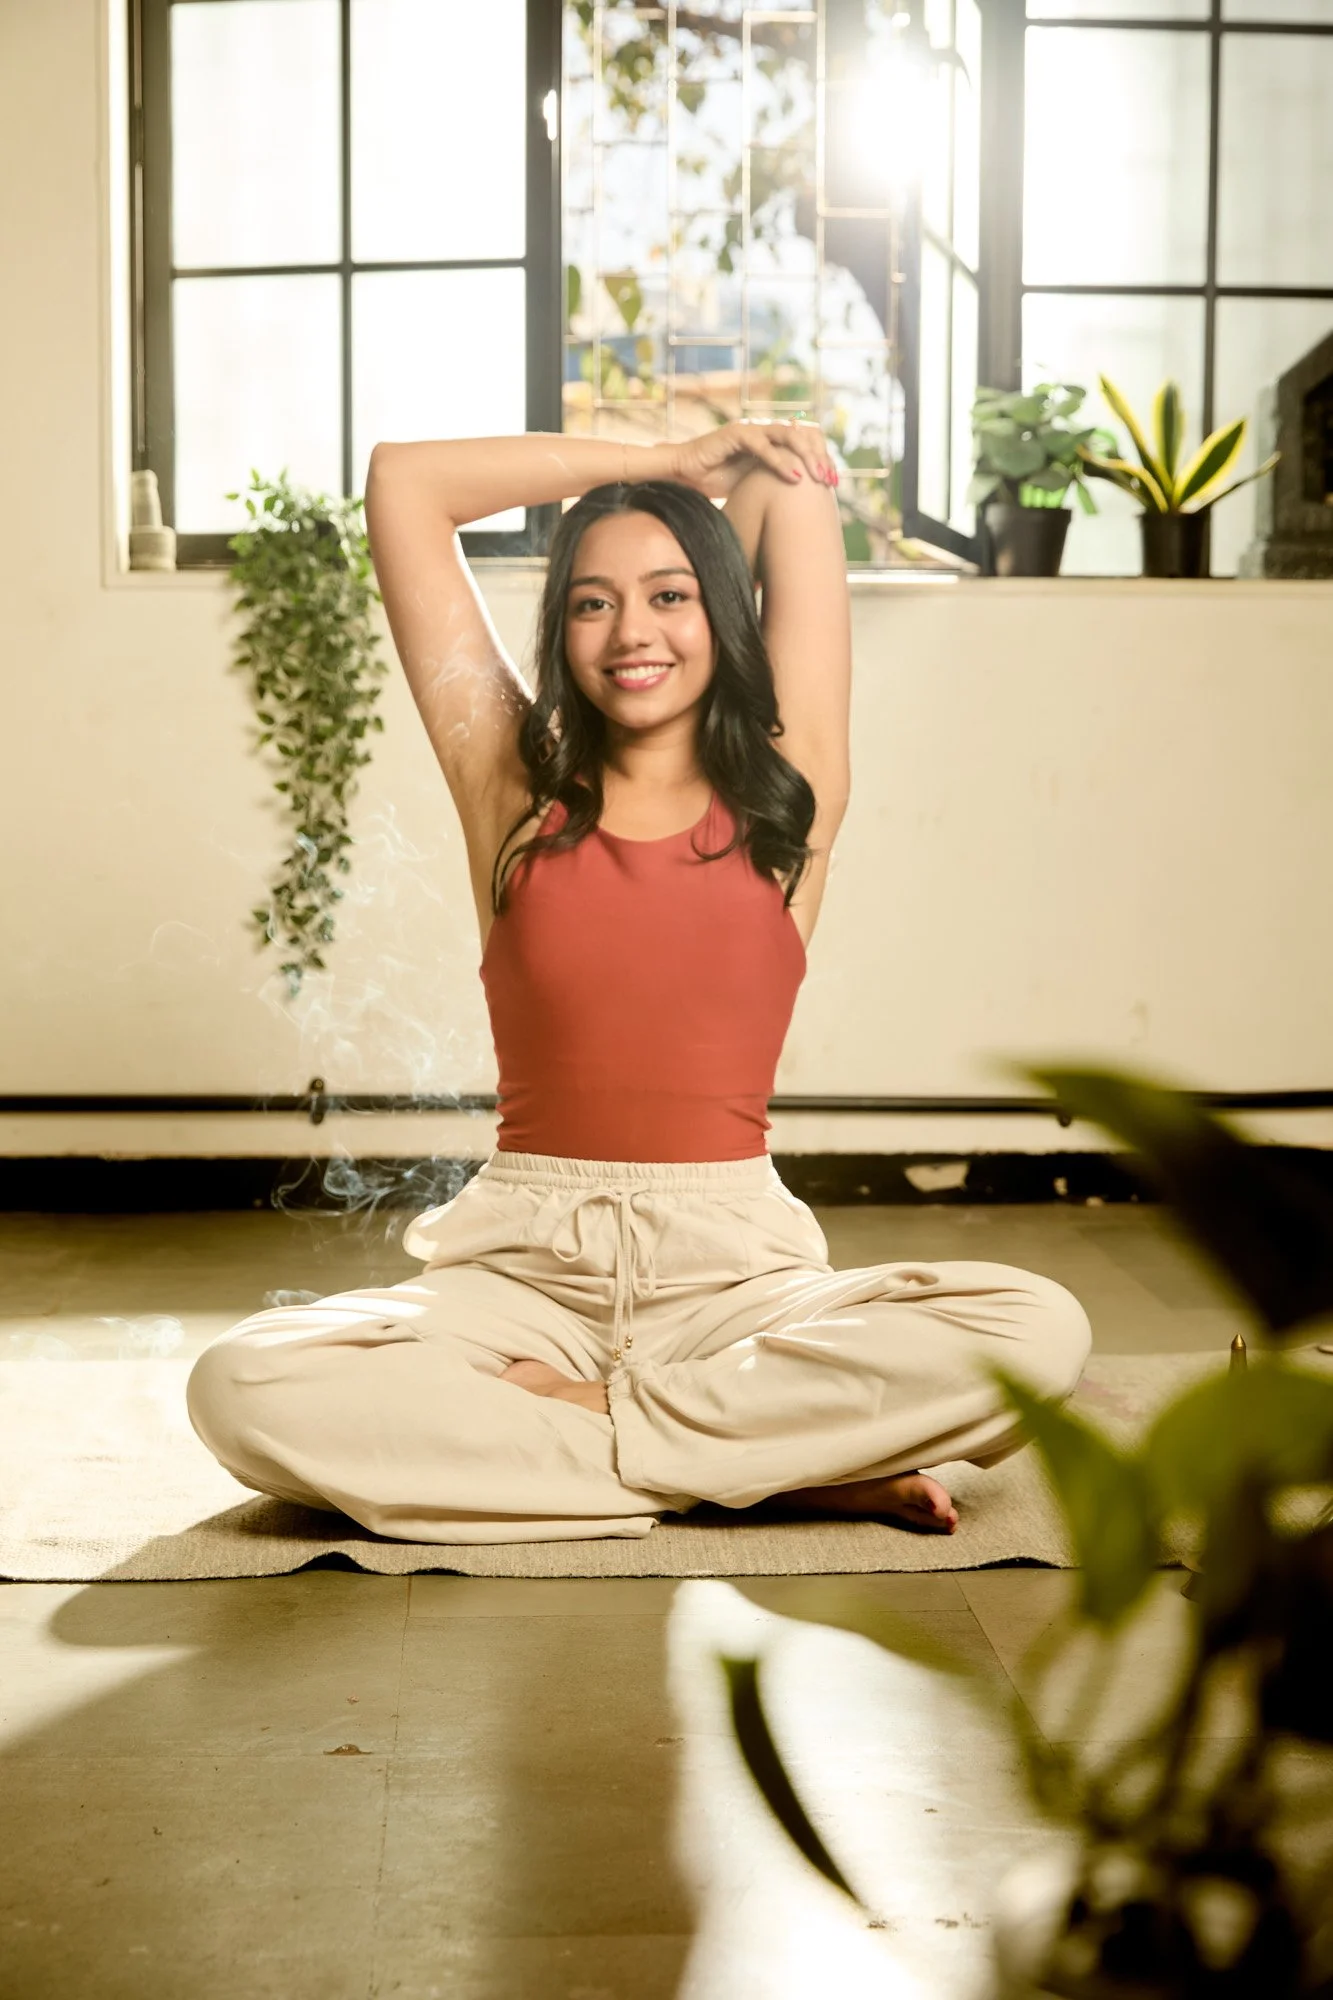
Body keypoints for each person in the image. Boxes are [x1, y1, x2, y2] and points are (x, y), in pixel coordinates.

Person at [187, 421, 1091, 1545]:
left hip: (734, 1280)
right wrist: (662, 455)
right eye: (591, 602)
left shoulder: (787, 798)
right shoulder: (508, 788)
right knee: (243, 1383)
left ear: (724, 607)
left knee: (1036, 1327)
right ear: (561, 629)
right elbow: (405, 484)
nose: (631, 633)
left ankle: (609, 1438)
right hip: (520, 1279)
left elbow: (791, 477)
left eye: (671, 595)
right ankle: (768, 1467)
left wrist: (703, 490)